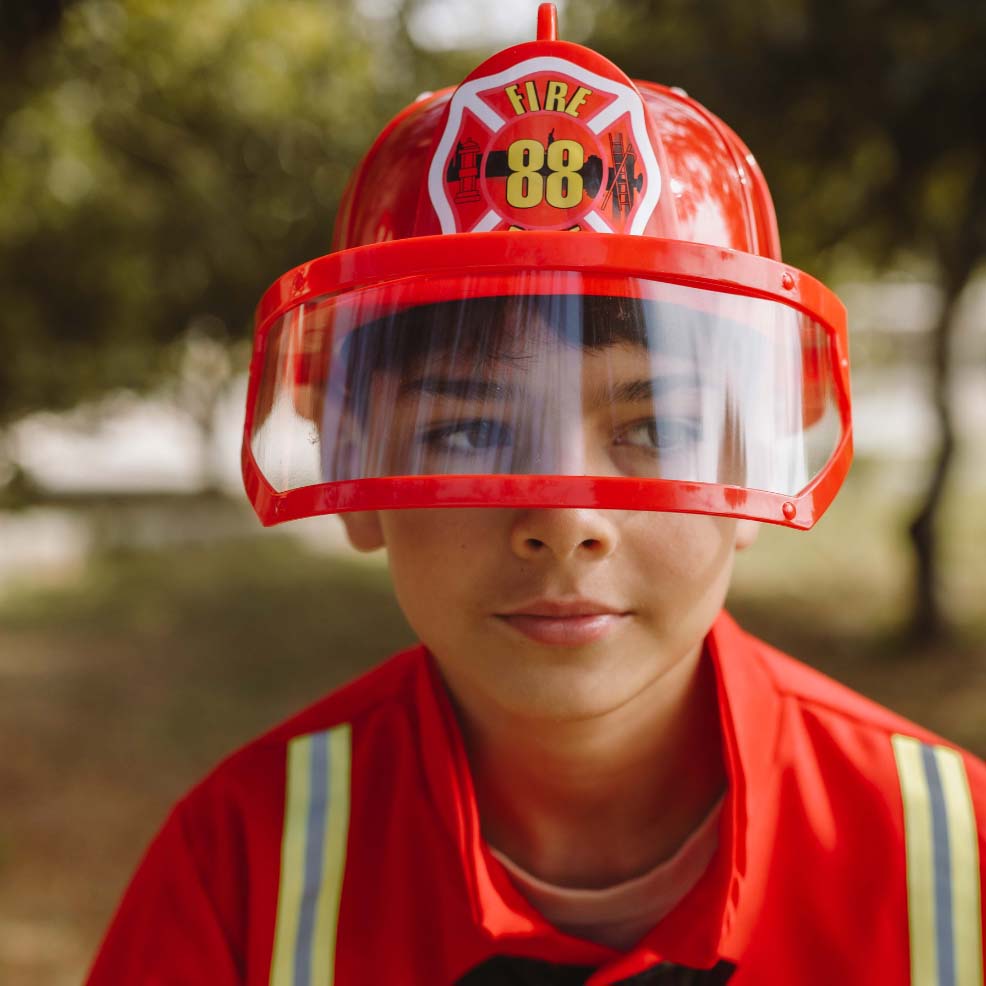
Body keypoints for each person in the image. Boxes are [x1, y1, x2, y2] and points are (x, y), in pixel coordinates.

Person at [85, 5, 985, 984]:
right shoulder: (239, 868)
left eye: (657, 428)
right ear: (350, 467)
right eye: (465, 430)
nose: (562, 523)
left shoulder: (954, 854)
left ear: (752, 466)